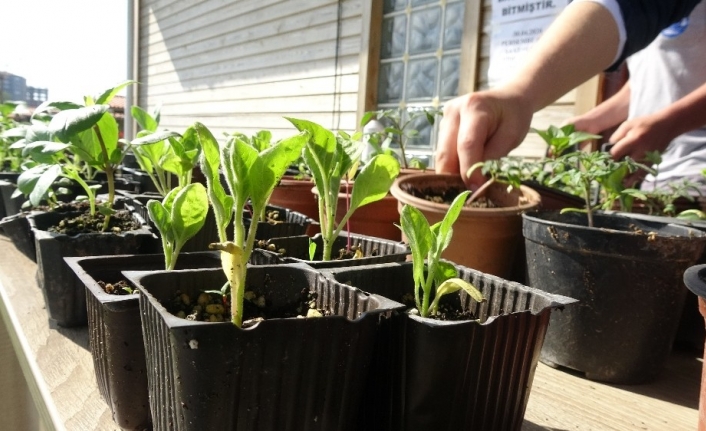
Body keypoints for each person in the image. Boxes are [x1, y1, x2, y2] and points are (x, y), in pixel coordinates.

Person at [435, 0, 704, 190]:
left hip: (696, 177)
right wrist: (591, 122)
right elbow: (653, 82)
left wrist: (669, 123)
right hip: (649, 179)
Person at [566, 0, 706, 193]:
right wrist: (592, 121)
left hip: (697, 169)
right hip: (651, 174)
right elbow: (648, 82)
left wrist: (666, 125)